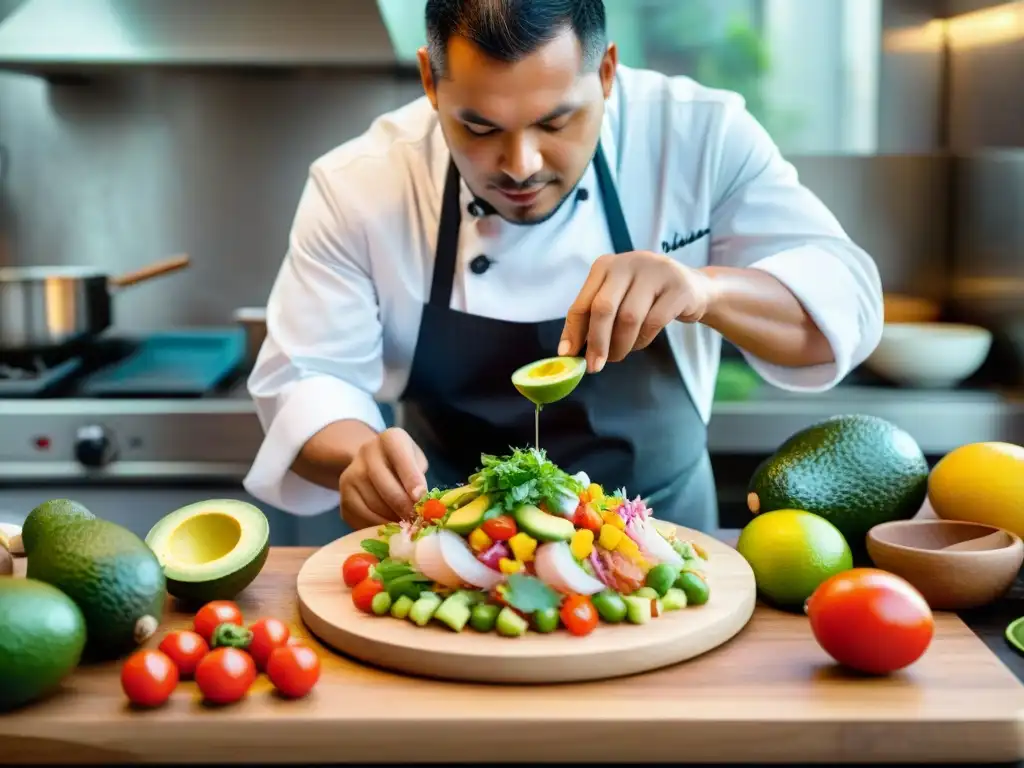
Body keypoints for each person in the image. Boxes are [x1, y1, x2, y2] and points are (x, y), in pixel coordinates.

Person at [243, 0, 883, 534]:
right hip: (451, 542)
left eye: (556, 121)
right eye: (479, 126)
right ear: (430, 82)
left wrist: (700, 289)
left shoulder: (699, 133)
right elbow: (307, 375)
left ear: (606, 71)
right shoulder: (359, 183)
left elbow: (841, 310)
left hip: (666, 540)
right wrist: (361, 453)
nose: (519, 164)